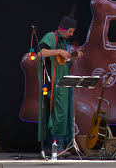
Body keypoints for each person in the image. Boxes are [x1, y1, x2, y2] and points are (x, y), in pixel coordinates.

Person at [37, 9, 83, 158]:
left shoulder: (65, 42)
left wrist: (72, 57)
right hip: (52, 83)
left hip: (63, 83)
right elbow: (40, 53)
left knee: (63, 115)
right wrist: (58, 51)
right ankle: (56, 146)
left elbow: (62, 61)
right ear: (63, 29)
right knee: (57, 115)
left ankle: (62, 145)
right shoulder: (51, 37)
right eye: (70, 31)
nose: (72, 34)